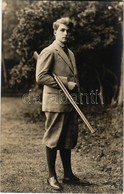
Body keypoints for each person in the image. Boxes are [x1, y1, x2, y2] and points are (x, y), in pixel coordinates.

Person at [36, 17, 80, 191]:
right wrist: (66, 83)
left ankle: (68, 175)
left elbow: (74, 78)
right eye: (62, 30)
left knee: (67, 139)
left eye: (68, 31)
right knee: (53, 139)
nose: (65, 33)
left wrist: (75, 91)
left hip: (69, 102)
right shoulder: (49, 51)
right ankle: (51, 176)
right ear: (55, 32)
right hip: (55, 101)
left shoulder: (70, 53)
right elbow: (41, 77)